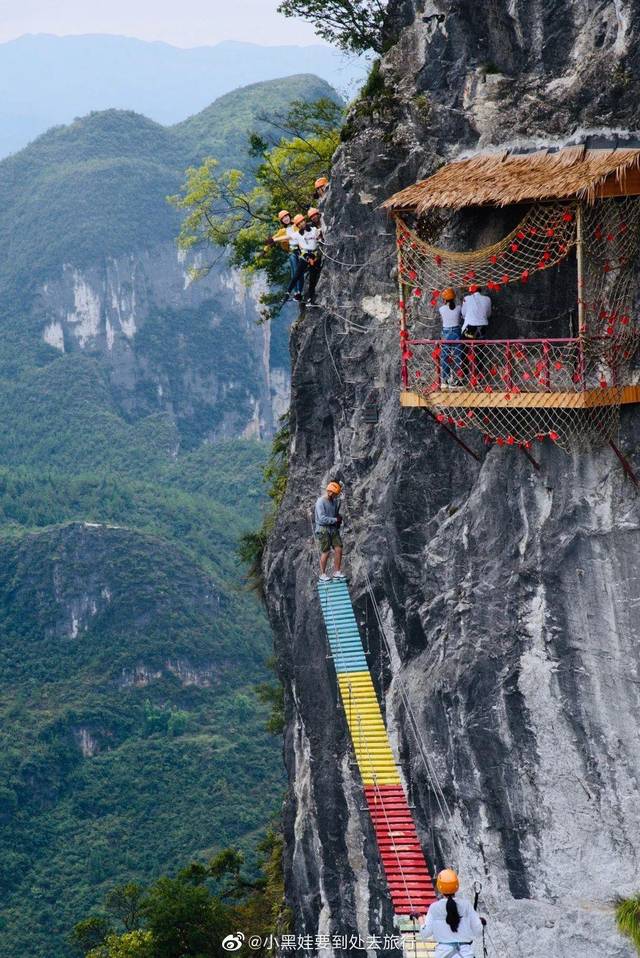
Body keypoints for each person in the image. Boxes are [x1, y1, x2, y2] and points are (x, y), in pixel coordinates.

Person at [418, 869, 484, 958]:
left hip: (443, 954)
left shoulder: (434, 908)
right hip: (465, 954)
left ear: (439, 886)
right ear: (457, 886)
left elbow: (425, 933)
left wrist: (420, 918)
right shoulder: (466, 905)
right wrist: (480, 922)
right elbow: (478, 931)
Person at [285, 214, 322, 305]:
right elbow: (286, 237)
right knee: (297, 274)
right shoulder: (297, 233)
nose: (302, 223)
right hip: (304, 255)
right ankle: (289, 292)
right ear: (297, 226)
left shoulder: (312, 229)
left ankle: (310, 299)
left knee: (312, 278)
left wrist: (319, 237)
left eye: (302, 221)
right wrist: (274, 240)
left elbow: (318, 233)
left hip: (313, 255)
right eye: (299, 223)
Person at [315, 481, 345, 581]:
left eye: (335, 494)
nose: (333, 495)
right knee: (326, 551)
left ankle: (337, 572)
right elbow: (322, 518)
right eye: (332, 493)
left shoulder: (334, 501)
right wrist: (336, 520)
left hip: (332, 528)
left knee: (338, 548)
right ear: (328, 491)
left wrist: (338, 518)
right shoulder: (320, 502)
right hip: (323, 529)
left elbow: (335, 513)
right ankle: (322, 574)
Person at [272, 210, 304, 301]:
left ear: (289, 216)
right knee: (294, 272)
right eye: (283, 218)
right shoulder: (282, 231)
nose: (286, 219)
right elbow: (273, 239)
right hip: (292, 252)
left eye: (286, 217)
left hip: (301, 250)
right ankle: (296, 292)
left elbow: (303, 226)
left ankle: (299, 292)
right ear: (281, 221)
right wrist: (265, 250)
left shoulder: (296, 225)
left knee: (300, 273)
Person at [438, 288, 462, 386]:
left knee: (445, 356)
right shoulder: (459, 308)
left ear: (444, 299)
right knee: (458, 356)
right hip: (456, 332)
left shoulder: (441, 309)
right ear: (454, 298)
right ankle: (457, 379)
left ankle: (446, 379)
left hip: (446, 333)